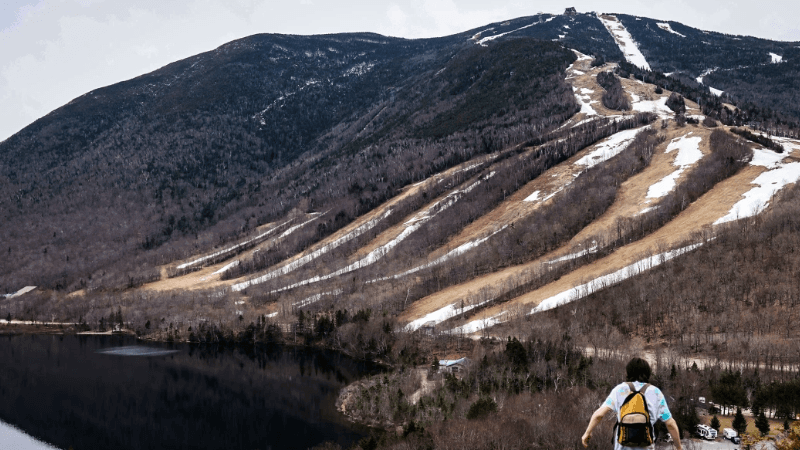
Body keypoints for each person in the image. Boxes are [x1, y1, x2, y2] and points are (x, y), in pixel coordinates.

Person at [582, 357, 682, 449]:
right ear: (648, 373)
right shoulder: (655, 392)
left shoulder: (619, 390)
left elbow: (598, 415)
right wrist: (679, 448)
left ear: (628, 372)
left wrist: (587, 432)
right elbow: (670, 423)